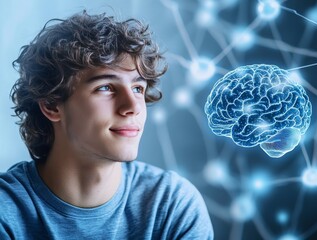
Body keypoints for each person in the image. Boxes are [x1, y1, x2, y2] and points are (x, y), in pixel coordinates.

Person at [0, 11, 214, 239]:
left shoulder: (172, 206)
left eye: (138, 88)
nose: (133, 106)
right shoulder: (6, 211)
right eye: (106, 88)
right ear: (52, 106)